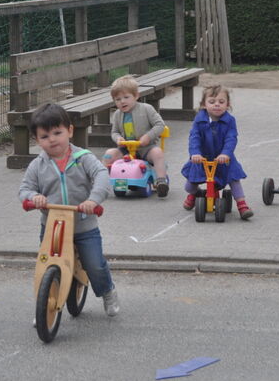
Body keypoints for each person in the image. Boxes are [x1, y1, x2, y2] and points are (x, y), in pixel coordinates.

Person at [19, 103, 120, 317]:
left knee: (95, 264)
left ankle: (107, 291)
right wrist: (33, 197)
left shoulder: (83, 158)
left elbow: (101, 175)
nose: (52, 139)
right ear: (37, 140)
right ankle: (43, 308)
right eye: (45, 136)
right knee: (45, 265)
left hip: (83, 225)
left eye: (57, 133)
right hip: (53, 227)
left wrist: (93, 200)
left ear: (70, 131)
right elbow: (25, 189)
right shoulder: (38, 165)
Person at [180, 84, 252, 220]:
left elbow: (231, 138)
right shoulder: (199, 120)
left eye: (221, 102)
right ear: (204, 104)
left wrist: (225, 154)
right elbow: (194, 137)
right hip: (202, 158)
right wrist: (195, 153)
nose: (217, 105)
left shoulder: (229, 121)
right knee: (190, 184)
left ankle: (242, 205)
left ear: (227, 104)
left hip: (223, 159)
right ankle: (194, 194)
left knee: (234, 179)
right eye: (212, 102)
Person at [103, 75, 169, 197]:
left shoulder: (146, 109)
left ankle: (161, 181)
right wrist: (118, 138)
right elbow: (114, 132)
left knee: (158, 153)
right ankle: (102, 181)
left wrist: (148, 136)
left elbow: (160, 125)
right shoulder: (117, 114)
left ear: (136, 96)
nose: (122, 101)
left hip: (146, 148)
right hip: (126, 149)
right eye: (118, 99)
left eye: (126, 97)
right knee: (109, 154)